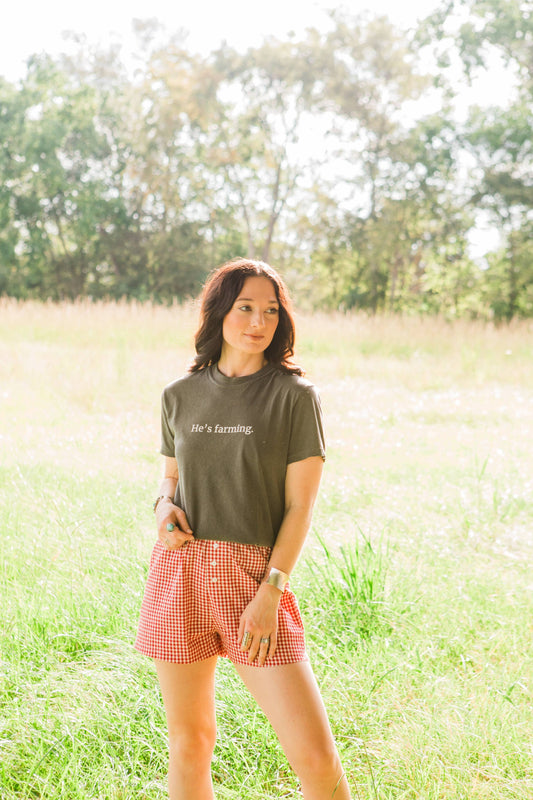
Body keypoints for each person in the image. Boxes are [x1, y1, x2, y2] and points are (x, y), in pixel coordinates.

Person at [135, 258, 351, 800]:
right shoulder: (178, 395)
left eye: (271, 311)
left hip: (253, 579)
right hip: (179, 575)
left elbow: (300, 507)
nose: (259, 321)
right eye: (246, 307)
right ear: (219, 312)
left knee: (316, 758)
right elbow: (170, 477)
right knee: (189, 743)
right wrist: (164, 508)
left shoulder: (295, 398)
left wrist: (271, 589)